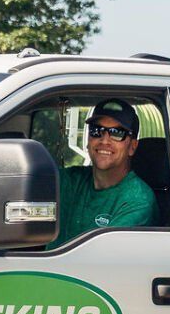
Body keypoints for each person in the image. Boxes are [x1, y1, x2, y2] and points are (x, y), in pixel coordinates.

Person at [50, 100, 157, 248]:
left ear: (132, 147)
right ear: (88, 140)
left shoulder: (138, 200)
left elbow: (102, 256)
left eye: (117, 133)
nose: (104, 140)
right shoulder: (71, 180)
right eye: (97, 130)